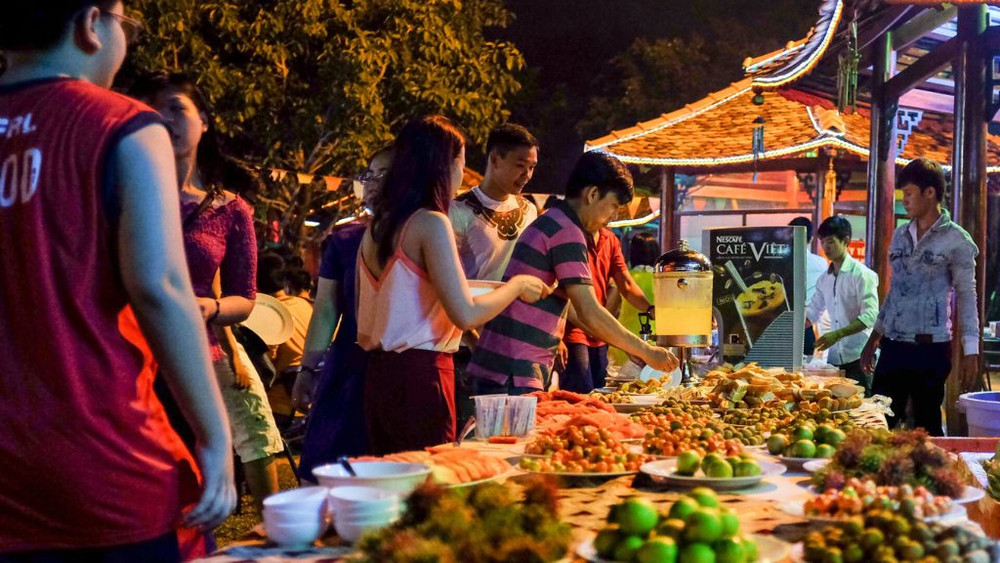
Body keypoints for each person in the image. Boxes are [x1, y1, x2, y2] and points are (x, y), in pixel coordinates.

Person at [0, 2, 234, 559]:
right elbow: (161, 287)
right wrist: (214, 434)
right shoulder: (122, 126)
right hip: (104, 456)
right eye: (125, 23)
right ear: (91, 24)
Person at [356, 115, 551, 455]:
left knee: (396, 479)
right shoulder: (432, 223)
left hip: (378, 376)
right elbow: (465, 313)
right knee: (431, 478)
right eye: (460, 162)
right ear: (442, 166)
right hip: (422, 376)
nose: (463, 173)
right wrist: (518, 285)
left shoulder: (378, 226)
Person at [146, 73, 284, 509]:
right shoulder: (127, 192)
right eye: (152, 110)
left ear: (204, 120)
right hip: (130, 355)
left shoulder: (230, 209)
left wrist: (211, 307)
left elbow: (246, 297)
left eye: (175, 108)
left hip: (196, 357)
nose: (163, 119)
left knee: (192, 487)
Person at [467, 151, 679, 395]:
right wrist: (646, 350)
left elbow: (575, 309)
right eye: (613, 206)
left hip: (508, 365)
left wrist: (628, 345)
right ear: (593, 194)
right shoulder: (567, 230)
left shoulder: (555, 220)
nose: (611, 217)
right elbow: (589, 310)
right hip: (514, 367)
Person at [860, 159, 981, 435]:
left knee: (927, 427)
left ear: (930, 193)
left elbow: (967, 296)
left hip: (931, 349)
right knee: (877, 421)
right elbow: (895, 291)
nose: (904, 200)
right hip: (893, 346)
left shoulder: (957, 240)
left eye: (909, 193)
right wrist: (874, 337)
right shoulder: (900, 235)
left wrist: (971, 352)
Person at [292, 148, 392, 477]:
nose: (372, 183)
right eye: (368, 175)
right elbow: (325, 310)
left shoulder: (425, 235)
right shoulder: (345, 240)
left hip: (400, 367)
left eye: (383, 174)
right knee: (328, 471)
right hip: (348, 366)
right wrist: (307, 369)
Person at [449, 123, 539, 424]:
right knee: (476, 428)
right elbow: (448, 282)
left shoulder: (529, 210)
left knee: (519, 430)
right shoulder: (458, 211)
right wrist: (472, 338)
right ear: (495, 159)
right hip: (470, 342)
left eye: (532, 167)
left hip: (518, 341)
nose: (527, 175)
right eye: (520, 165)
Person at [561, 226, 654, 393]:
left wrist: (650, 309)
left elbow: (624, 288)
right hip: (580, 332)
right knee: (583, 393)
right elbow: (575, 306)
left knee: (600, 393)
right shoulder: (569, 235)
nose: (614, 214)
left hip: (605, 335)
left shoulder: (610, 240)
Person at [805, 216, 879, 395]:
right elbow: (812, 313)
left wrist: (838, 334)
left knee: (864, 404)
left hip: (859, 355)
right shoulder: (824, 279)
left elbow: (870, 316)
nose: (826, 247)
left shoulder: (862, 275)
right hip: (834, 358)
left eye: (830, 242)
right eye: (823, 242)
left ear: (846, 241)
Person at [609, 231, 659, 366]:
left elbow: (609, 310)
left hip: (625, 342)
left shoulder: (624, 279)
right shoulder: (663, 280)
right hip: (656, 341)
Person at [790, 217, 830, 359]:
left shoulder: (782, 262)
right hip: (809, 323)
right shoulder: (821, 263)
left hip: (785, 321)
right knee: (805, 366)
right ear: (812, 239)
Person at [272, 267, 314, 375]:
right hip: (319, 370)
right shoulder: (319, 309)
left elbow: (270, 354)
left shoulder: (279, 310)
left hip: (289, 377)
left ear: (288, 288)